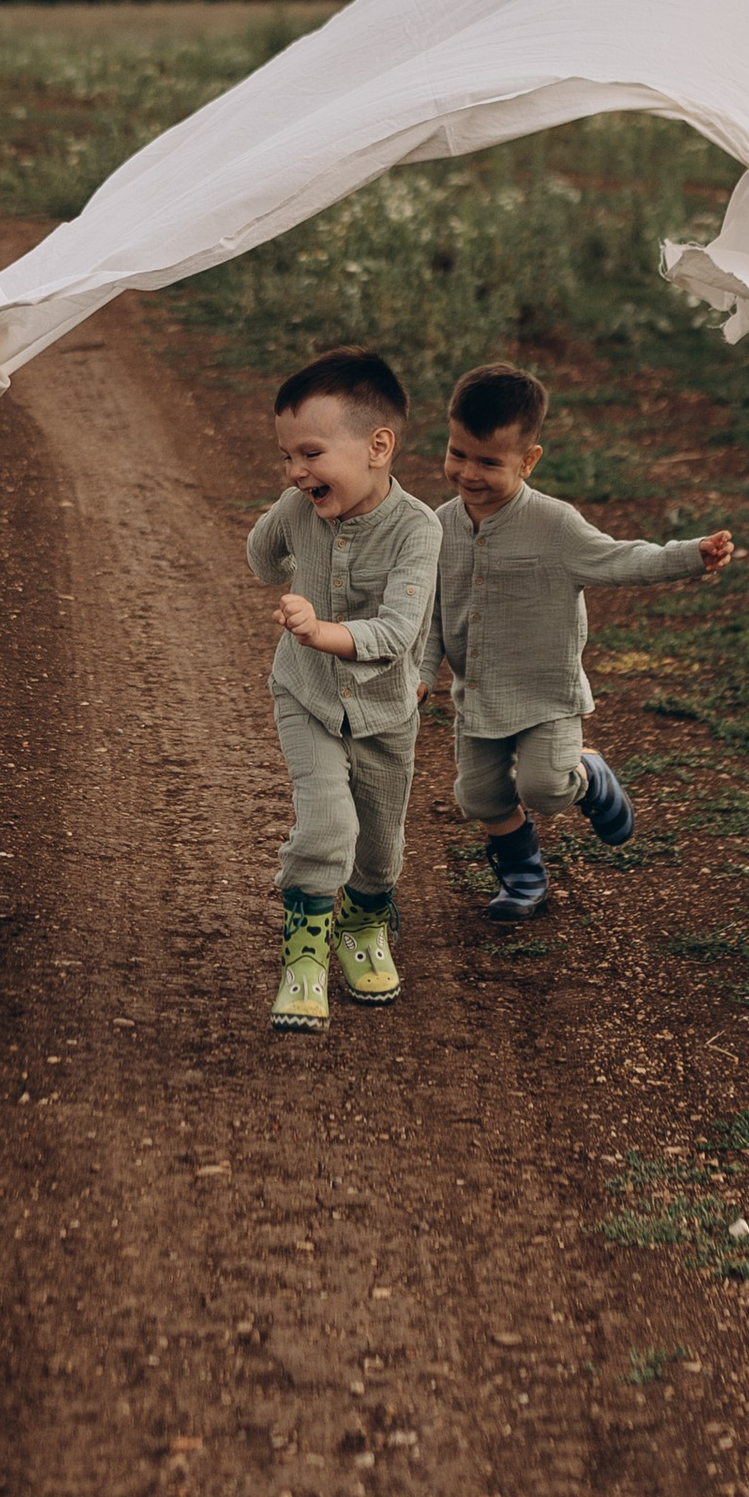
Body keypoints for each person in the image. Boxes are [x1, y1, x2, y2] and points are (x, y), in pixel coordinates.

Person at [424, 362, 735, 922]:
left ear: (528, 460)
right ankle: (523, 877)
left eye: (489, 462)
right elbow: (432, 615)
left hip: (546, 694)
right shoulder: (439, 527)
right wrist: (421, 674)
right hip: (479, 697)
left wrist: (690, 555)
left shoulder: (555, 525)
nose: (468, 473)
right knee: (480, 796)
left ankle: (589, 775)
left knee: (545, 788)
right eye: (457, 454)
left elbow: (623, 559)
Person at [246, 349, 442, 1034]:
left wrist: (319, 629)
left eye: (311, 454)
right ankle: (303, 953)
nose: (295, 471)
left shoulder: (418, 528)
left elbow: (397, 631)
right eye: (286, 457)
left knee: (380, 844)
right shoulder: (298, 504)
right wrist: (285, 515)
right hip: (306, 696)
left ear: (378, 447)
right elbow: (262, 560)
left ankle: (362, 926)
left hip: (387, 708)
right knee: (328, 824)